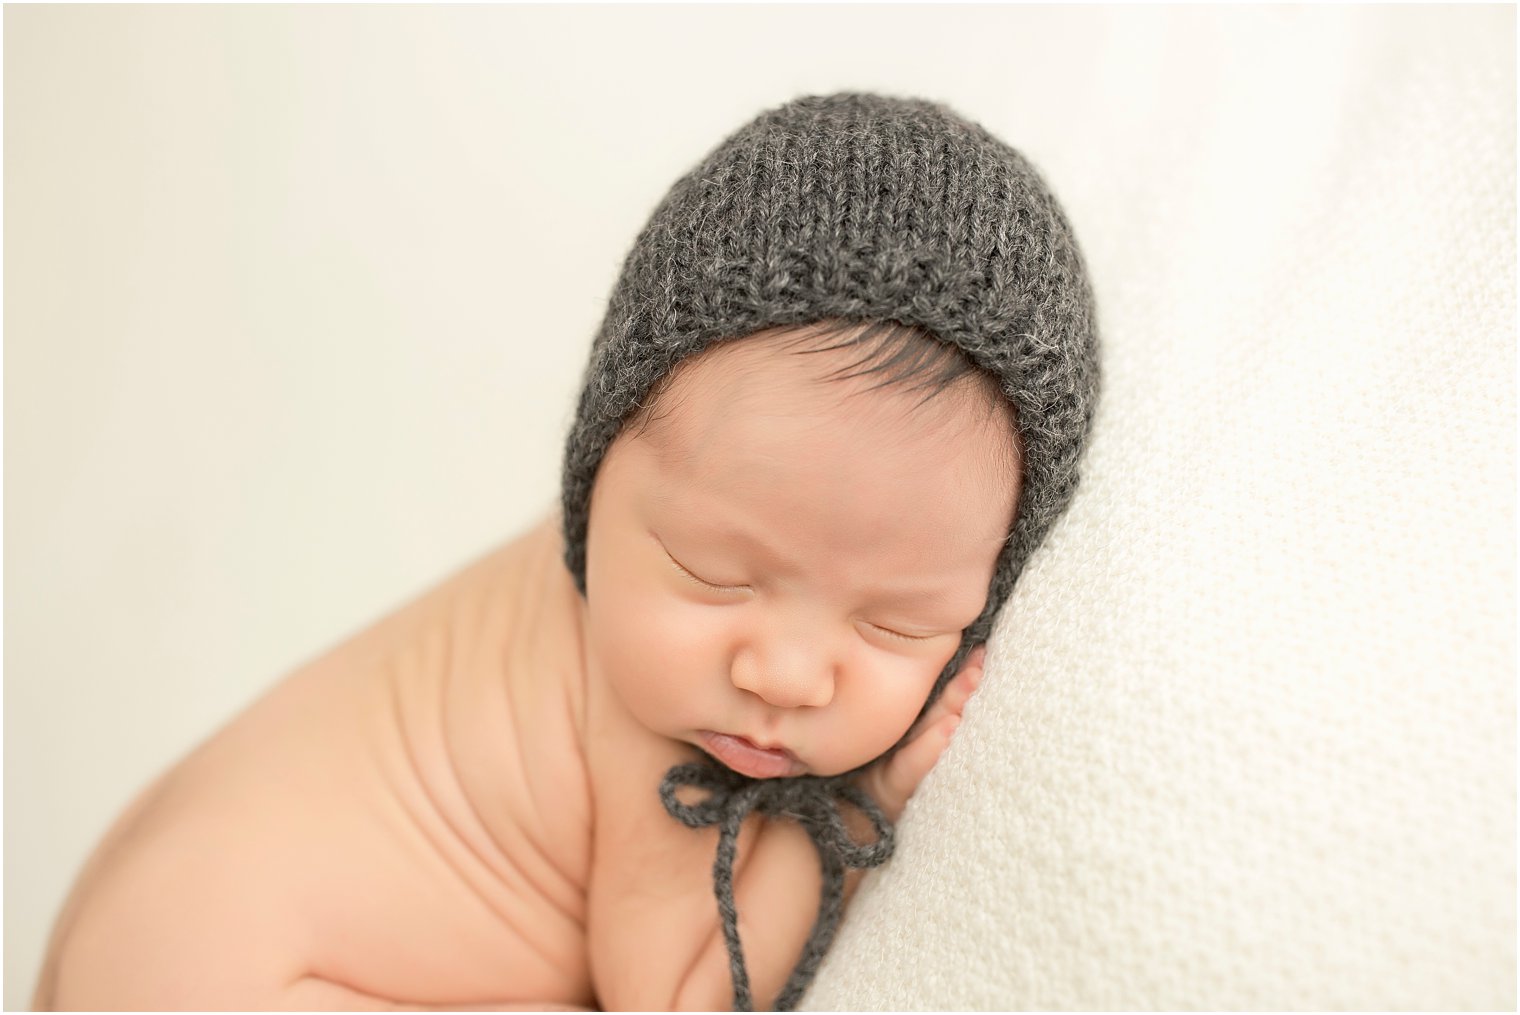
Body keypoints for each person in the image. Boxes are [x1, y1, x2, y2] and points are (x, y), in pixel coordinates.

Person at [32, 90, 1099, 1012]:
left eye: (893, 621)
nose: (780, 672)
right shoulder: (656, 725)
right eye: (713, 577)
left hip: (150, 923)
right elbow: (683, 992)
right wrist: (873, 798)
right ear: (592, 481)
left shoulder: (685, 533)